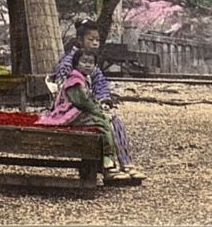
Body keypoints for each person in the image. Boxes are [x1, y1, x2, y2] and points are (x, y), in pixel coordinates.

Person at [52, 19, 147, 180]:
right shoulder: (69, 62)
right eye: (91, 40)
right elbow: (65, 91)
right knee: (106, 122)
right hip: (70, 109)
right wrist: (93, 107)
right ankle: (108, 167)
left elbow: (100, 83)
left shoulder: (89, 61)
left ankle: (125, 163)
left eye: (97, 40)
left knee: (113, 119)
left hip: (88, 106)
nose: (95, 43)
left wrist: (103, 100)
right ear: (80, 40)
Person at [38, 49, 129, 180]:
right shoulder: (74, 80)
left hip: (79, 110)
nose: (87, 65)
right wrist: (98, 111)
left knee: (106, 121)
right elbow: (82, 101)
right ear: (76, 63)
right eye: (84, 61)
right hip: (71, 112)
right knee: (102, 124)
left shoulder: (83, 78)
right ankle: (107, 162)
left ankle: (108, 161)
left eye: (91, 62)